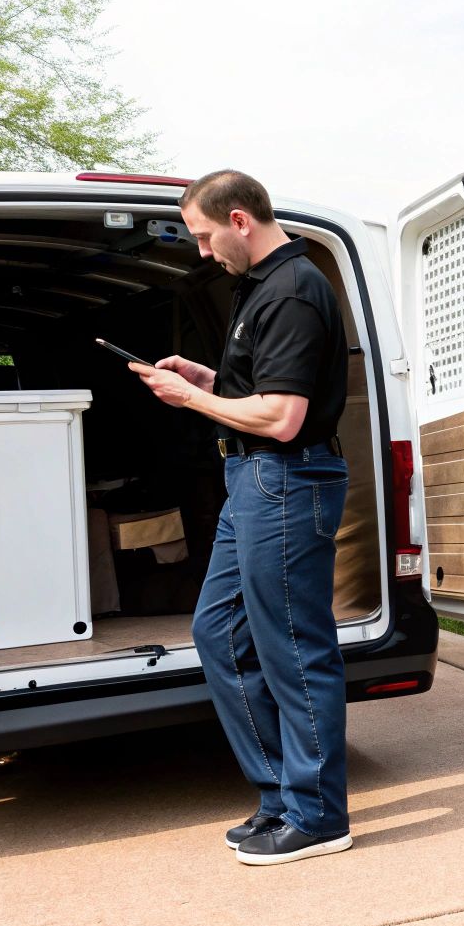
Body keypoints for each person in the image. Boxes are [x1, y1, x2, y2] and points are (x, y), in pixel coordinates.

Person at [129, 169, 353, 866]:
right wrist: (207, 379)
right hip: (254, 480)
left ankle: (318, 816)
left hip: (285, 479)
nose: (201, 251)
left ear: (238, 220)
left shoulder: (290, 290)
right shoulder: (260, 288)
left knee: (292, 647)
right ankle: (283, 796)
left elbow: (284, 419)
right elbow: (263, 390)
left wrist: (191, 401)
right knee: (219, 633)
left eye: (201, 235)